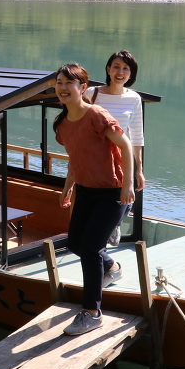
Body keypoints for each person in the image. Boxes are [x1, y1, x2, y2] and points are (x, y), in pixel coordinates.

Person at [53, 63, 135, 336]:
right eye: (59, 82)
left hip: (113, 192)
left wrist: (127, 185)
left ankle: (92, 313)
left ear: (83, 87)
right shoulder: (62, 123)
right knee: (75, 243)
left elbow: (125, 147)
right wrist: (68, 187)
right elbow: (75, 159)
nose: (63, 88)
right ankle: (111, 267)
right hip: (86, 190)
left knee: (89, 248)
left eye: (70, 83)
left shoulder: (96, 114)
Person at [86, 50, 145, 246]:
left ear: (131, 74)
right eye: (117, 67)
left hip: (121, 160)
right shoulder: (92, 94)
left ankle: (115, 224)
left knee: (124, 197)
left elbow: (136, 136)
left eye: (126, 69)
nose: (121, 72)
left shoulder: (134, 98)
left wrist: (139, 170)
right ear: (108, 70)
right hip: (95, 159)